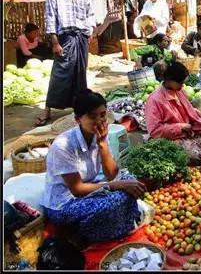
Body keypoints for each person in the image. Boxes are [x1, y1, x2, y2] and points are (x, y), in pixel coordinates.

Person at [40, 89, 145, 244]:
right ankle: (81, 233)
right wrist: (116, 185)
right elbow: (77, 190)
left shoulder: (101, 135)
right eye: (92, 116)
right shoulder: (63, 145)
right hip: (65, 203)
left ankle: (115, 222)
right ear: (78, 119)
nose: (99, 121)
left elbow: (113, 174)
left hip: (92, 185)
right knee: (114, 201)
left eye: (102, 115)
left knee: (130, 179)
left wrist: (102, 144)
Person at [36, 0, 96, 126]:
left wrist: (89, 30)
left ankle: (80, 108)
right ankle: (48, 109)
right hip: (65, 39)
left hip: (81, 38)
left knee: (80, 73)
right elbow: (50, 20)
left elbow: (91, 14)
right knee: (60, 72)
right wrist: (55, 42)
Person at [145, 61, 201, 163]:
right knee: (195, 156)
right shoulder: (155, 100)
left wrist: (195, 114)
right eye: (180, 83)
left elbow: (186, 108)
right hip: (173, 138)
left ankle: (198, 143)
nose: (182, 86)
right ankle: (198, 145)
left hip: (192, 130)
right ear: (169, 80)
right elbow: (155, 131)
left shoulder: (179, 90)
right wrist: (180, 127)